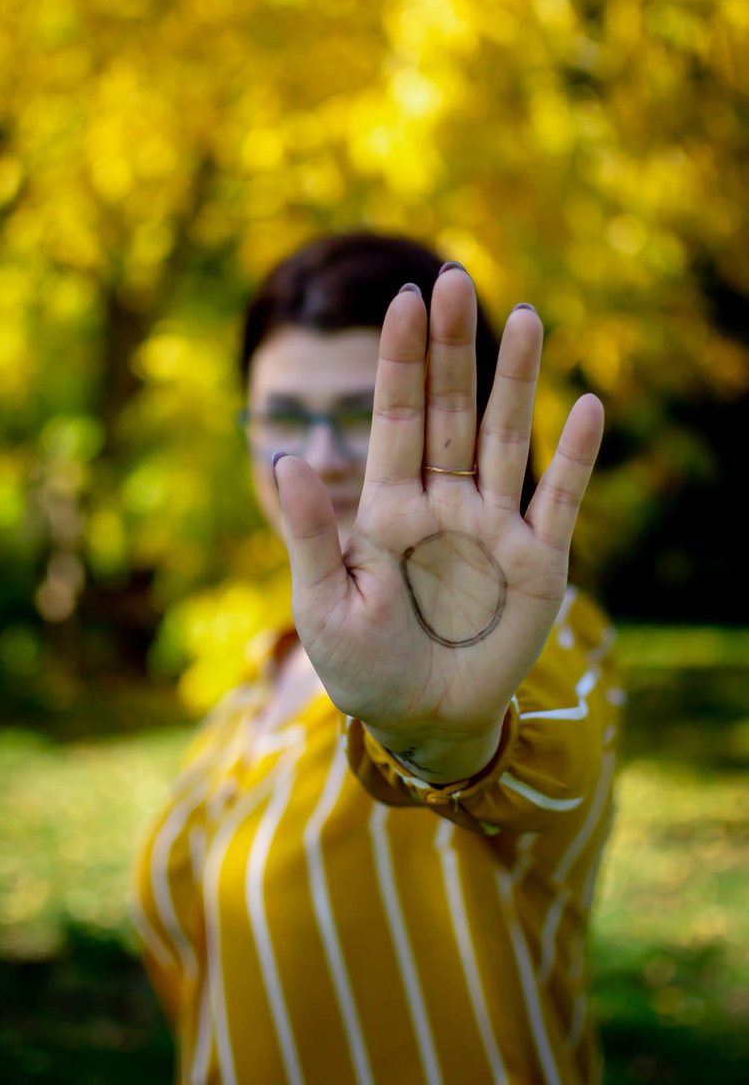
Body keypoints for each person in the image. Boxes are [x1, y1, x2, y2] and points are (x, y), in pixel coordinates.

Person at [131, 231, 622, 1085]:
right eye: (282, 417)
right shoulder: (258, 678)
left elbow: (540, 763)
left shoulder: (535, 636)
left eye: (362, 413)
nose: (318, 456)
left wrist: (447, 736)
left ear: (452, 419)